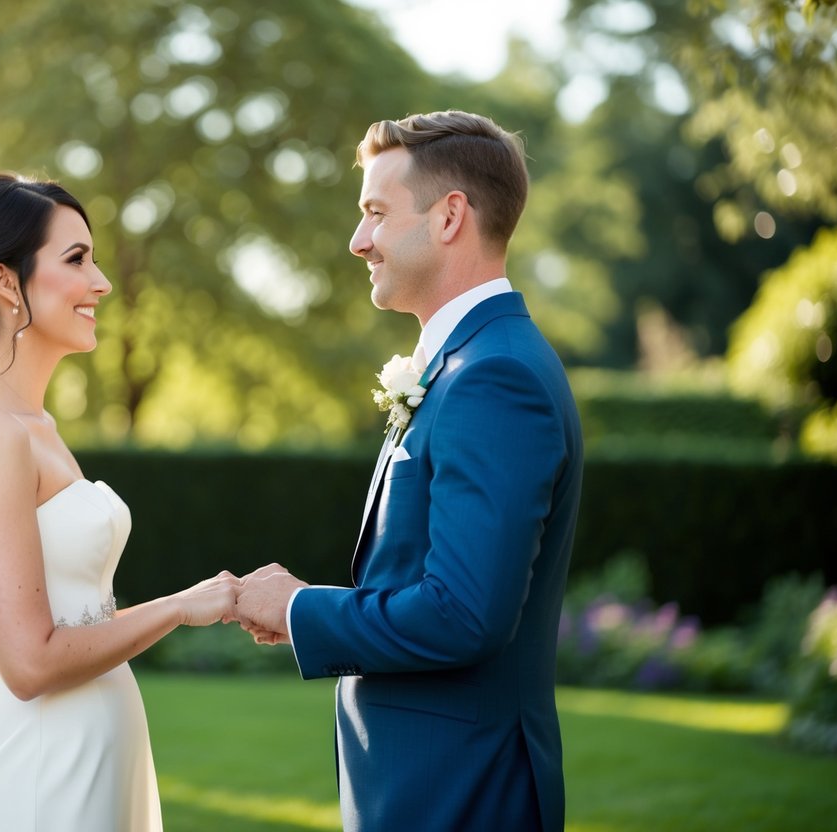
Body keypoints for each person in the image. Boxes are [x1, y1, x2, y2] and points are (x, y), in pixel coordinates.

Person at [0, 173, 239, 831]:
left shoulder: (36, 428)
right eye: (76, 259)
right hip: (33, 774)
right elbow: (28, 663)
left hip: (90, 754)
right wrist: (179, 607)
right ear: (6, 282)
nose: (102, 283)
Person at [236, 110, 584, 831]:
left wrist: (301, 609)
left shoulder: (493, 379)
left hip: (461, 791)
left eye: (375, 213)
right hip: (428, 782)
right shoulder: (469, 365)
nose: (358, 240)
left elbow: (462, 615)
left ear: (449, 216)